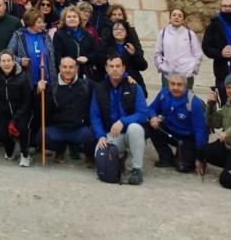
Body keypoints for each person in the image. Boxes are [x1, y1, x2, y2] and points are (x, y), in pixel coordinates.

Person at [90, 54, 148, 185]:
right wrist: (101, 136)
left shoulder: (134, 87)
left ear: (123, 68)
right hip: (112, 134)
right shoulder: (99, 88)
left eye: (118, 66)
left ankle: (137, 169)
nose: (115, 69)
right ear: (106, 68)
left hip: (131, 133)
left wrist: (123, 121)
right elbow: (95, 116)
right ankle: (120, 158)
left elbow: (142, 114)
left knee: (135, 128)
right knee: (99, 154)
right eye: (111, 66)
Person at [145, 72, 207, 173]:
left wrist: (200, 157)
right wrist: (153, 116)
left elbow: (201, 132)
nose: (175, 87)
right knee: (150, 125)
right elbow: (151, 108)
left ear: (185, 86)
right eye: (172, 84)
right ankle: (167, 158)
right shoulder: (163, 94)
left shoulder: (194, 103)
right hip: (170, 132)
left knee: (183, 168)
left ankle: (186, 154)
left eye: (179, 84)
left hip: (188, 138)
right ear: (168, 84)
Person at [38, 56, 94, 165]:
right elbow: (42, 110)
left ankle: (89, 156)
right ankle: (60, 150)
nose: (67, 70)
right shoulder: (52, 87)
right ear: (59, 68)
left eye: (71, 67)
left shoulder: (86, 84)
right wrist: (39, 93)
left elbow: (103, 87)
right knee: (42, 135)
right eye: (64, 67)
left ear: (76, 68)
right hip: (59, 128)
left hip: (79, 128)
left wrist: (126, 79)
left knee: (90, 135)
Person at [0, 50, 33, 165]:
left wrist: (14, 119)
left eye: (9, 60)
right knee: (1, 135)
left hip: (22, 111)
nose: (6, 64)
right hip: (4, 111)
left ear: (13, 62)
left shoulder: (22, 77)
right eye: (3, 61)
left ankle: (25, 154)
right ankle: (10, 148)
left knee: (23, 128)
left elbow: (27, 101)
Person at [202, 0, 231, 103]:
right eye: (224, 6)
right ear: (220, 8)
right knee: (224, 104)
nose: (227, 8)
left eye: (230, 6)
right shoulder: (213, 25)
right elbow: (206, 47)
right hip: (222, 73)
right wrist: (220, 53)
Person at [153, 7, 202, 90]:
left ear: (183, 20)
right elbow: (158, 53)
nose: (176, 17)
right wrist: (161, 66)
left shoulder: (190, 34)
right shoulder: (163, 33)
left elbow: (197, 54)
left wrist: (192, 68)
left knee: (186, 96)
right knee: (167, 96)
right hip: (168, 74)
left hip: (186, 74)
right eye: (174, 15)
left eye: (179, 16)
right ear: (170, 18)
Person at [52, 5, 101, 82]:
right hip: (67, 74)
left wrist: (87, 58)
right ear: (64, 20)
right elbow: (58, 56)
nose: (72, 19)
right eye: (69, 17)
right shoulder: (59, 35)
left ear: (79, 19)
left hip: (85, 74)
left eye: (74, 16)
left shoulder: (87, 35)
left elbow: (96, 53)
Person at [8, 10, 55, 88]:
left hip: (46, 82)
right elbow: (8, 55)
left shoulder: (45, 35)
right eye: (39, 22)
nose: (42, 24)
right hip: (27, 82)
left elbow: (52, 57)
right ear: (30, 22)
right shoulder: (19, 35)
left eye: (42, 22)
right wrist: (20, 60)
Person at [101, 22, 148, 96]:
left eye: (121, 29)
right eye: (115, 29)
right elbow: (101, 64)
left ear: (127, 33)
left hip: (132, 83)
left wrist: (134, 54)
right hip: (112, 83)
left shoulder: (132, 46)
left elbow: (143, 66)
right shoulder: (106, 46)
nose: (118, 31)